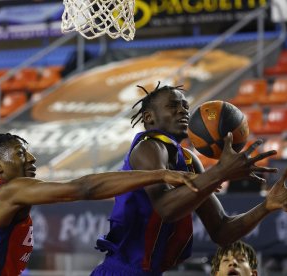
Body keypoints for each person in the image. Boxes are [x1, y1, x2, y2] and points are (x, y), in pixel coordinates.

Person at [91, 83, 287, 275]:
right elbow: (165, 209)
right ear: (149, 117)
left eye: (185, 106)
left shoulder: (188, 160)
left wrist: (267, 206)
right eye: (173, 105)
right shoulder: (148, 147)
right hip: (120, 271)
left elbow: (222, 230)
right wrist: (220, 172)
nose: (182, 111)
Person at [0, 132, 199, 275]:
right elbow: (84, 188)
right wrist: (160, 174)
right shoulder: (9, 191)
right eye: (19, 154)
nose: (31, 158)